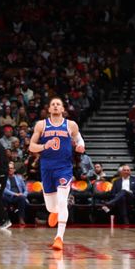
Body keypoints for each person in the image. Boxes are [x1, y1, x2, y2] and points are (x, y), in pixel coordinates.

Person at [29, 97, 85, 250]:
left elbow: (80, 140)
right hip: (46, 168)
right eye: (52, 104)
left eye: (58, 104)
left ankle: (59, 237)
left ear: (62, 109)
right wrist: (43, 146)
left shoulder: (70, 125)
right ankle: (54, 212)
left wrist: (80, 146)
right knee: (51, 207)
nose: (55, 106)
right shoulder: (41, 125)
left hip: (64, 168)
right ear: (49, 109)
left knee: (62, 200)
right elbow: (31, 147)